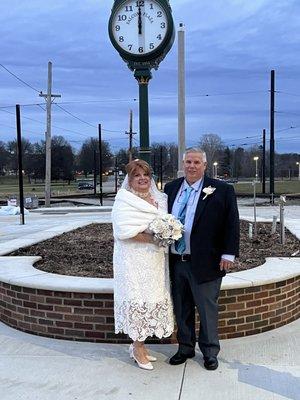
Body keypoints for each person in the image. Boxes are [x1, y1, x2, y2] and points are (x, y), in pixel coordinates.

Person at [164, 148, 239, 370]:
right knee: (182, 307)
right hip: (177, 261)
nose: (192, 166)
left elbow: (231, 223)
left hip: (207, 261)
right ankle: (185, 347)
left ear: (205, 165)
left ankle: (209, 351)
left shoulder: (222, 190)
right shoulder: (171, 188)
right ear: (183, 164)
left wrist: (228, 253)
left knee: (207, 310)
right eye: (188, 161)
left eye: (197, 162)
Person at [111, 159, 174, 370]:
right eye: (137, 175)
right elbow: (124, 231)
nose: (142, 179)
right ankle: (137, 348)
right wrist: (154, 238)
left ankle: (140, 346)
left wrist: (168, 233)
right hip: (133, 260)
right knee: (136, 298)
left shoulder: (160, 199)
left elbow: (166, 222)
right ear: (129, 180)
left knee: (152, 298)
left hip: (155, 261)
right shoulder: (124, 201)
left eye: (145, 175)